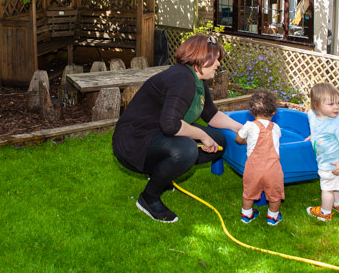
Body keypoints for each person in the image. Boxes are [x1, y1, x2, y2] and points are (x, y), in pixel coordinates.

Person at [112, 34, 243, 223]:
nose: (218, 64)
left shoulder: (197, 80)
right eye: (216, 59)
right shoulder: (182, 79)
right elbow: (171, 124)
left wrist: (243, 128)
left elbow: (211, 115)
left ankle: (161, 175)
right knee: (187, 150)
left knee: (219, 142)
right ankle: (149, 198)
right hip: (134, 141)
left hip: (158, 134)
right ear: (201, 58)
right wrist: (201, 135)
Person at [235, 89, 285, 226]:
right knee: (275, 195)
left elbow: (238, 139)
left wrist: (246, 141)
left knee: (249, 193)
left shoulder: (249, 126)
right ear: (274, 112)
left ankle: (246, 215)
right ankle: (272, 217)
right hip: (272, 169)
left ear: (251, 111)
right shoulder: (276, 128)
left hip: (253, 168)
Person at [305, 82, 339, 221]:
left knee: (327, 188)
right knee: (335, 184)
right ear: (316, 105)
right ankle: (338, 205)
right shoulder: (312, 114)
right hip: (327, 160)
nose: (336, 107)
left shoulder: (338, 123)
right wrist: (314, 136)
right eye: (331, 104)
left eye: (338, 103)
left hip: (333, 162)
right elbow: (318, 128)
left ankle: (325, 213)